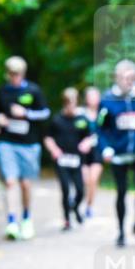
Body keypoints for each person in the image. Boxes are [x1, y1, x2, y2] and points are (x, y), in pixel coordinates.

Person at [96, 60, 135, 247]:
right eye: (124, 78)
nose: (128, 82)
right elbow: (99, 128)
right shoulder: (107, 99)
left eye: (131, 78)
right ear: (116, 78)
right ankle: (121, 231)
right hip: (118, 154)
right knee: (121, 192)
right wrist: (106, 147)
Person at [0, 55, 50, 241]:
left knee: (25, 184)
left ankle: (26, 218)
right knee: (10, 182)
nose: (13, 76)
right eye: (10, 73)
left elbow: (45, 113)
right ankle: (11, 222)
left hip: (29, 144)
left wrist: (26, 113)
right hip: (7, 142)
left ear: (22, 73)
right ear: (7, 73)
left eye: (16, 73)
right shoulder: (2, 91)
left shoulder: (33, 90)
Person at [44, 87, 94, 231]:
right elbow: (48, 138)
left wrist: (86, 143)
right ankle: (66, 219)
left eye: (73, 102)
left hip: (77, 160)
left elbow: (90, 136)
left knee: (80, 190)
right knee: (65, 189)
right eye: (68, 103)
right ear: (64, 103)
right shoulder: (57, 119)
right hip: (61, 160)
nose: (71, 106)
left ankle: (75, 208)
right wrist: (54, 149)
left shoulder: (82, 120)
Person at [81, 86, 104, 218]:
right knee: (85, 180)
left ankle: (90, 206)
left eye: (95, 96)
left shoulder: (104, 113)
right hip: (83, 152)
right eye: (90, 96)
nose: (93, 99)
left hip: (97, 151)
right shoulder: (80, 113)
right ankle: (81, 200)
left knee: (93, 179)